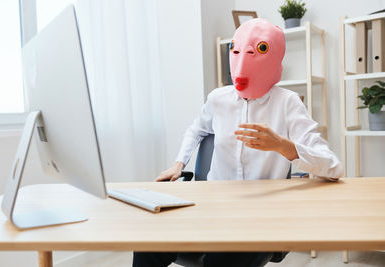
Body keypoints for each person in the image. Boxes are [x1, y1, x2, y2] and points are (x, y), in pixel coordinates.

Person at [133, 18, 343, 267]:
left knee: (222, 259)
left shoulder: (288, 103)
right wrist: (179, 163)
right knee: (147, 242)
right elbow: (196, 130)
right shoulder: (217, 98)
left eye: (259, 49)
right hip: (212, 206)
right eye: (236, 50)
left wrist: (281, 145)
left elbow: (333, 168)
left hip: (261, 215)